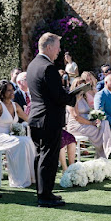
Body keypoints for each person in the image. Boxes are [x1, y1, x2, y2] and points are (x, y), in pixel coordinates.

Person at [27, 32, 76, 208]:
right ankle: (45, 196)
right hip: (48, 119)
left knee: (41, 157)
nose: (59, 51)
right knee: (48, 158)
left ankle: (43, 192)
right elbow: (58, 96)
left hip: (36, 119)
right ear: (49, 47)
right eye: (57, 47)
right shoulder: (48, 67)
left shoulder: (32, 65)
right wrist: (73, 97)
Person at [0, 80, 35, 188]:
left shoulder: (15, 105)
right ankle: (19, 180)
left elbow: (27, 118)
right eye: (9, 90)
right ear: (2, 92)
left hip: (10, 136)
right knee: (21, 141)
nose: (12, 92)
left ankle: (31, 177)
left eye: (13, 90)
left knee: (28, 140)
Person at [67, 77, 111, 158]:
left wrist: (96, 117)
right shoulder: (72, 98)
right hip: (76, 125)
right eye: (79, 84)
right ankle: (103, 154)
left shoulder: (83, 97)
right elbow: (76, 117)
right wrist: (91, 123)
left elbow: (89, 112)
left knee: (104, 123)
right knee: (98, 131)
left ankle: (107, 150)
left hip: (86, 123)